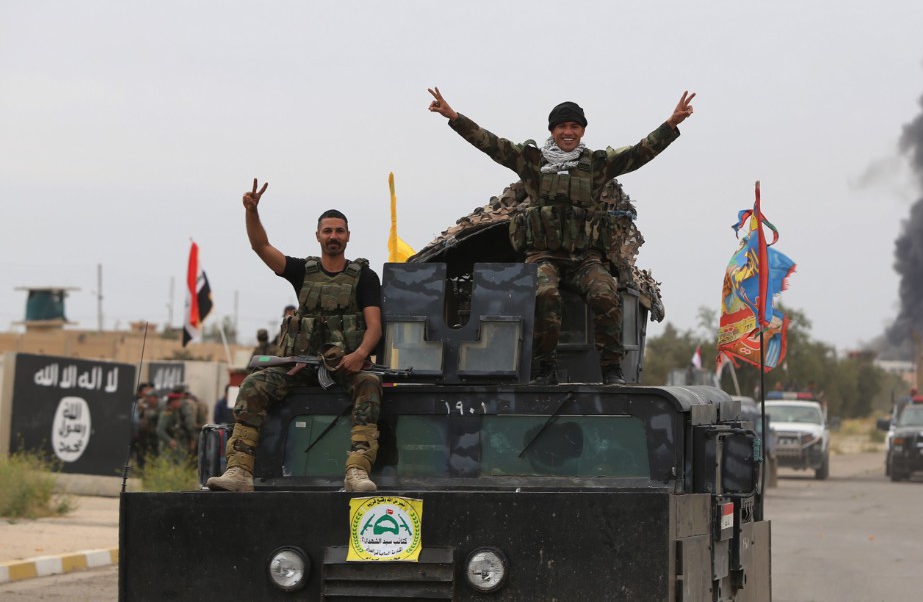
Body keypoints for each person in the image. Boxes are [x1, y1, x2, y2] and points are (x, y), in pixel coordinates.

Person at [428, 87, 695, 385]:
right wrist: (454, 117)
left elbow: (639, 153)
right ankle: (545, 367)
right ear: (552, 131)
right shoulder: (531, 161)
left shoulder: (596, 165)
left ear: (582, 131)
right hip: (544, 256)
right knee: (544, 293)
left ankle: (611, 369)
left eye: (574, 127)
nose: (568, 132)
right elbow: (490, 143)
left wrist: (671, 124)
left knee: (606, 294)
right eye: (562, 127)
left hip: (585, 260)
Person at [206, 179, 384, 493]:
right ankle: (238, 471)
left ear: (348, 236)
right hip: (301, 367)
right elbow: (261, 247)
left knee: (370, 385)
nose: (333, 236)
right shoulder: (303, 271)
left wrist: (358, 356)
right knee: (254, 384)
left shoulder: (364, 277)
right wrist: (252, 212)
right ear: (318, 236)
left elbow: (374, 327)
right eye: (327, 231)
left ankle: (357, 472)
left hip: (346, 367)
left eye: (339, 231)